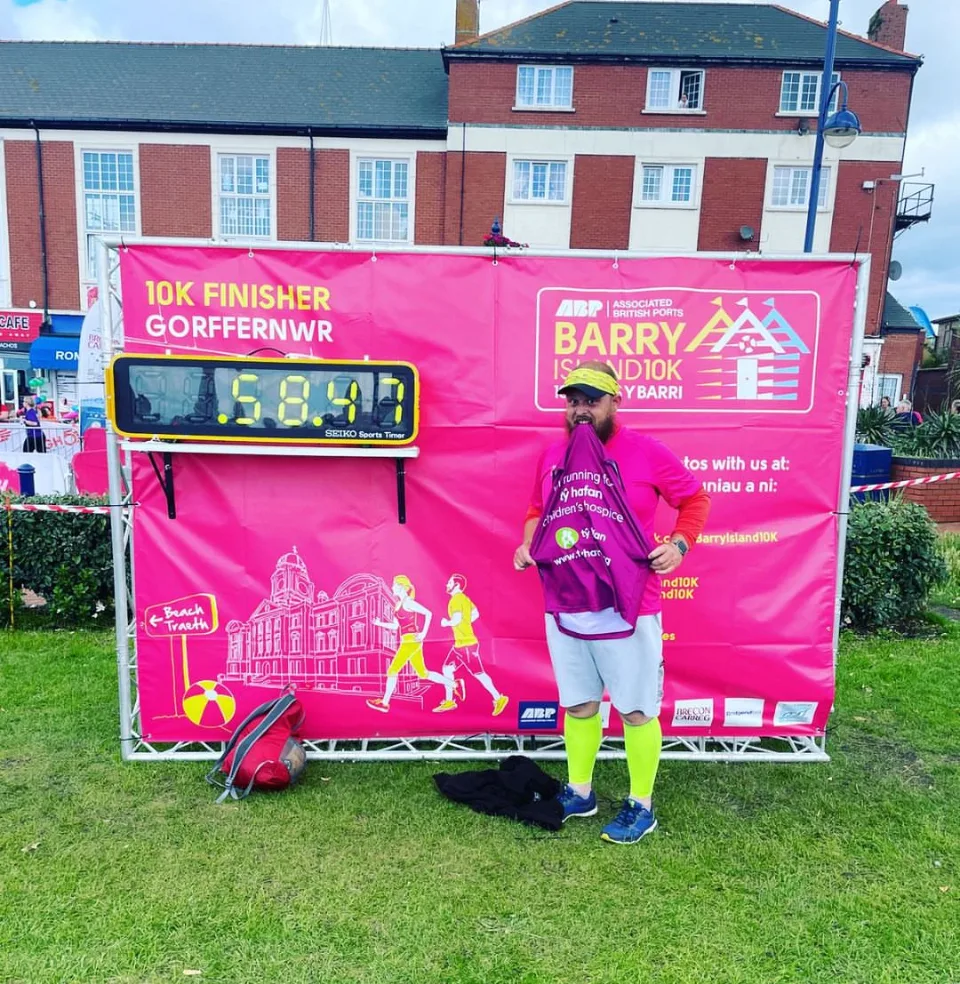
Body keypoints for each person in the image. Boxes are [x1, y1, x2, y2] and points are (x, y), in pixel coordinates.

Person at [514, 361, 711, 845]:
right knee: (579, 704)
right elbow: (537, 512)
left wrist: (679, 545)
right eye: (573, 401)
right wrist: (528, 545)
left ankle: (641, 805)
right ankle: (580, 791)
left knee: (637, 710)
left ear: (614, 402)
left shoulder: (646, 452)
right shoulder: (552, 455)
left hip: (631, 604)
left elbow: (696, 500)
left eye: (591, 400)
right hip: (566, 602)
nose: (581, 410)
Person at [367, 575, 461, 714]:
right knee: (423, 673)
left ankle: (385, 703)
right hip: (408, 640)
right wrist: (378, 623)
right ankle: (454, 684)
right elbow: (395, 626)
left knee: (393, 670)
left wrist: (423, 634)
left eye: (394, 584)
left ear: (401, 586)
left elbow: (428, 613)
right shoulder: (398, 604)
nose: (392, 587)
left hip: (412, 640)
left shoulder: (408, 602)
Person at [439, 574, 509, 717]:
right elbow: (475, 614)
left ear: (456, 585)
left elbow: (457, 620)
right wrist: (466, 622)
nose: (447, 584)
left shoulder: (456, 599)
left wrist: (446, 622)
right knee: (446, 669)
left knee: (479, 674)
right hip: (460, 644)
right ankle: (449, 700)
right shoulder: (465, 599)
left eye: (450, 582)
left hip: (467, 644)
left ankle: (499, 698)